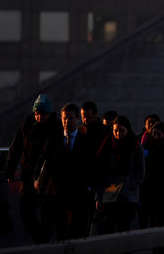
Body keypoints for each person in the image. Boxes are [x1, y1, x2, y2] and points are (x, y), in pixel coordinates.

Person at [5, 94, 61, 243]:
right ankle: (41, 239)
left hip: (47, 177)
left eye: (43, 114)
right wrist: (10, 170)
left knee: (46, 213)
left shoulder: (56, 127)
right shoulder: (27, 124)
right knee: (25, 213)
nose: (40, 117)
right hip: (28, 175)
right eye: (38, 114)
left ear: (49, 113)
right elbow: (15, 147)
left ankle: (43, 241)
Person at [35, 103, 94, 241]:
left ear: (77, 119)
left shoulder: (86, 141)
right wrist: (37, 180)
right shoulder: (53, 140)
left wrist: (89, 187)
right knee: (61, 235)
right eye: (64, 118)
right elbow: (44, 163)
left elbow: (91, 166)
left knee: (77, 234)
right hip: (57, 196)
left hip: (78, 195)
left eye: (71, 118)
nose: (67, 122)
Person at [95, 115, 145, 234]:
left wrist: (131, 184)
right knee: (108, 229)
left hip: (127, 196)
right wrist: (98, 196)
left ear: (127, 130)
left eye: (121, 131)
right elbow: (100, 171)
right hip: (109, 194)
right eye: (115, 131)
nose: (118, 134)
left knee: (124, 228)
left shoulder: (135, 146)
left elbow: (140, 171)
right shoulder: (107, 145)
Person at [139, 121, 164, 251]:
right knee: (154, 222)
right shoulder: (146, 146)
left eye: (158, 133)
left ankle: (161, 248)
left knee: (161, 221)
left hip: (163, 190)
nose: (155, 136)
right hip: (150, 190)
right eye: (154, 133)